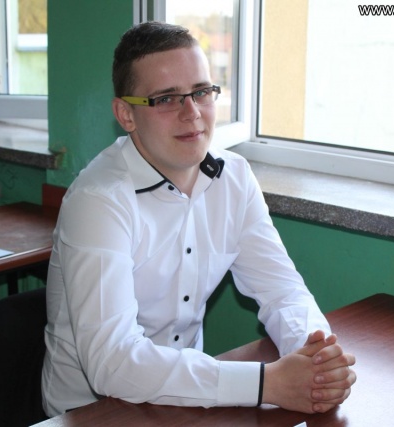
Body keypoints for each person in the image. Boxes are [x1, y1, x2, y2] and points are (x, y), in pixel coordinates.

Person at [42, 21, 356, 417]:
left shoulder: (234, 177)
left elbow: (283, 293)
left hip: (187, 401)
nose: (192, 113)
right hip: (93, 413)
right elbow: (113, 362)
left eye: (202, 92)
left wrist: (315, 358)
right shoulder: (98, 200)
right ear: (126, 114)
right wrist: (269, 383)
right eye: (166, 99)